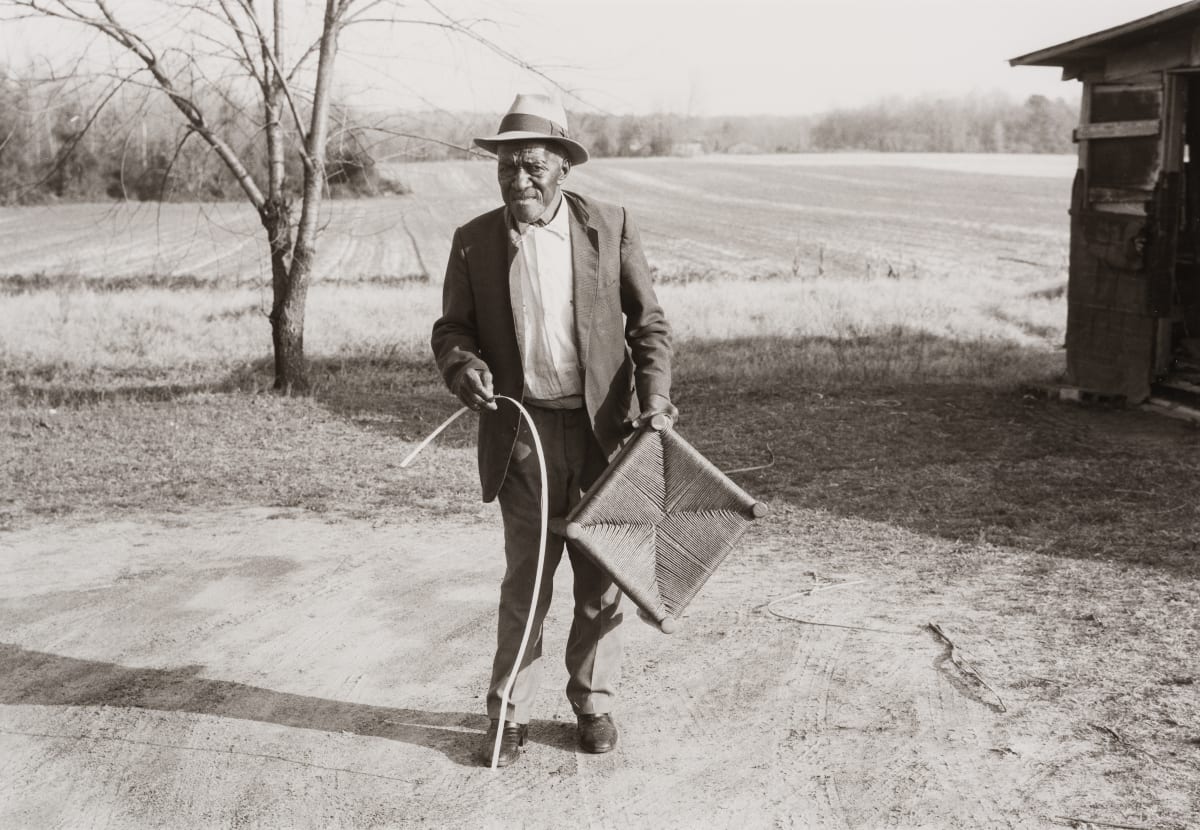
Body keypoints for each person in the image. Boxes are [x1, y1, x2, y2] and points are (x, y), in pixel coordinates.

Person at [430, 93, 676, 767]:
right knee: (527, 584)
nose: (518, 181)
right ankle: (507, 714)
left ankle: (592, 703)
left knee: (600, 585)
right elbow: (451, 330)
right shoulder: (473, 242)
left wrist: (653, 403)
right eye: (507, 168)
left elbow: (648, 327)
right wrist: (464, 365)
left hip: (604, 439)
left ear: (564, 166)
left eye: (532, 166)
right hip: (524, 440)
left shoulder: (611, 226)